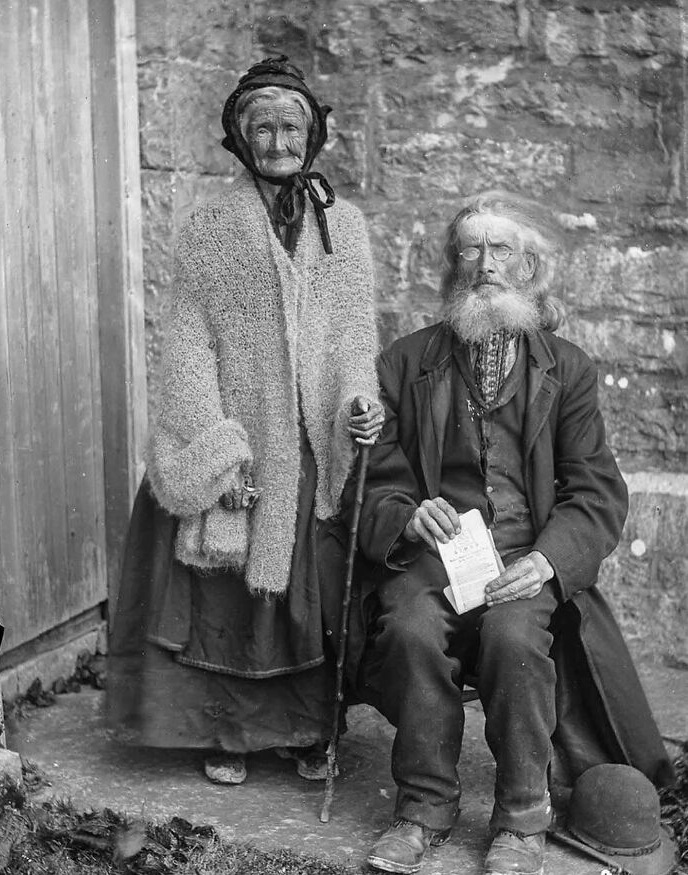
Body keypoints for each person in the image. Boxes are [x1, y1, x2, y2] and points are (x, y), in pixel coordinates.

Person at [348, 190, 675, 875]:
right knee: (407, 627)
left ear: (529, 266)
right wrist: (407, 512)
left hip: (527, 556)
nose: (486, 263)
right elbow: (377, 476)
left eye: (502, 249)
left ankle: (522, 818)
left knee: (513, 635)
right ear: (453, 263)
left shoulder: (569, 369)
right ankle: (423, 808)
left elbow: (594, 491)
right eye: (472, 247)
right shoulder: (405, 363)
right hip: (434, 559)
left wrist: (551, 562)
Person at [107, 55, 383, 786]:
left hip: (310, 445)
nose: (276, 140)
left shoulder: (343, 229)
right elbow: (187, 344)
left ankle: (310, 731)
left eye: (290, 125)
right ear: (239, 137)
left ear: (312, 134)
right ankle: (227, 733)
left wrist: (358, 403)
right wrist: (219, 453)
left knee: (308, 595)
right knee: (227, 597)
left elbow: (355, 337)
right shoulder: (210, 230)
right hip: (242, 440)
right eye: (260, 127)